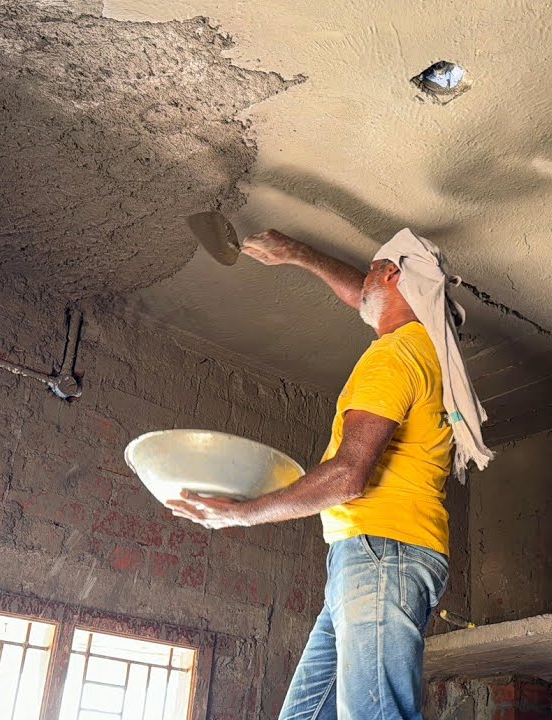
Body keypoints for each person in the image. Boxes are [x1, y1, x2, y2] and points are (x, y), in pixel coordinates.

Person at [167, 226, 493, 719]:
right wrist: (298, 252)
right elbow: (364, 296)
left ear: (392, 274)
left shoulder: (393, 357)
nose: (360, 288)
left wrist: (241, 514)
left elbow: (347, 476)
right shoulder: (422, 347)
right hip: (377, 554)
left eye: (370, 274)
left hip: (383, 552)